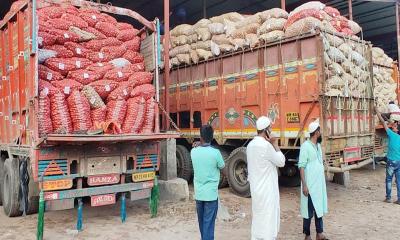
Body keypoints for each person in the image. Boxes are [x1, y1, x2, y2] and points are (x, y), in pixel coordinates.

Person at [246, 116, 286, 240]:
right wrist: (275, 144)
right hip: (267, 191)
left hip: (256, 189)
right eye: (270, 128)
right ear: (266, 130)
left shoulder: (250, 146)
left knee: (258, 217)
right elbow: (281, 161)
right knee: (268, 221)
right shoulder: (266, 146)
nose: (272, 130)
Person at [191, 125, 225, 240]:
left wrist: (199, 144)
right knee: (209, 226)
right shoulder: (216, 153)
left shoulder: (193, 152)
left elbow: (199, 149)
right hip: (211, 195)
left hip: (199, 194)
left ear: (200, 137)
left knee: (202, 225)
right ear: (212, 137)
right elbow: (223, 168)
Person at [298, 119, 328, 240]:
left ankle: (319, 234)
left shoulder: (318, 146)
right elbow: (301, 166)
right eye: (319, 131)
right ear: (316, 133)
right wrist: (304, 185)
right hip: (309, 186)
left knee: (318, 209)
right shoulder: (305, 146)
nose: (320, 133)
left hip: (319, 186)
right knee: (308, 212)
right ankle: (307, 235)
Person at [376, 107, 400, 204]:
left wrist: (377, 112)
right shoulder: (397, 136)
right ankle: (399, 199)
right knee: (398, 181)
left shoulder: (390, 134)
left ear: (396, 130)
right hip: (399, 162)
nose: (393, 126)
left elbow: (383, 122)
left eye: (394, 126)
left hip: (391, 161)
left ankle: (389, 197)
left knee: (389, 179)